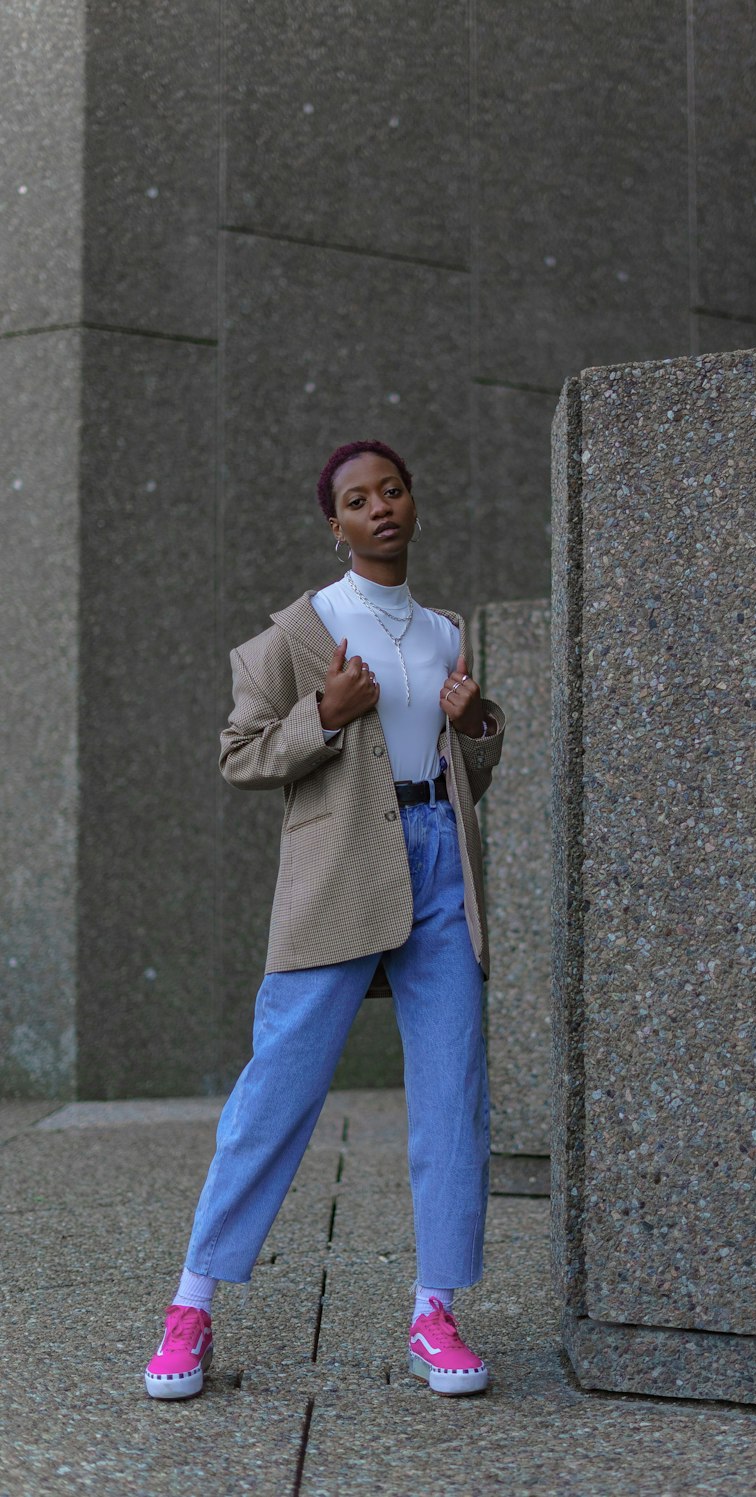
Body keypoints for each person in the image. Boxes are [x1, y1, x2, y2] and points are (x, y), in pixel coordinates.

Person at [144, 439, 505, 1400]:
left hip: (440, 867)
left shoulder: (444, 630)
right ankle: (192, 1307)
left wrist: (477, 729)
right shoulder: (296, 634)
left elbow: (463, 768)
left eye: (394, 489)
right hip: (339, 871)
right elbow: (241, 755)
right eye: (358, 498)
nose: (381, 506)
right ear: (334, 525)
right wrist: (327, 710)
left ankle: (436, 1309)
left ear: (413, 504)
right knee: (278, 1089)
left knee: (451, 1089)